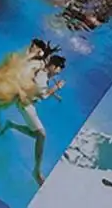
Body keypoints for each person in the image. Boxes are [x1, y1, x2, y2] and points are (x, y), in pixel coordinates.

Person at [0, 38, 55, 140]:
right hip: (5, 80)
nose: (30, 48)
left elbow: (24, 73)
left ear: (39, 50)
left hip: (10, 86)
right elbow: (15, 67)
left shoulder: (37, 64)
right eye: (31, 46)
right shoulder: (33, 60)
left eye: (33, 47)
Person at [5, 53, 67, 185]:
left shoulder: (45, 74)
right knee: (41, 135)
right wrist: (56, 88)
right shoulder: (42, 77)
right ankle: (37, 171)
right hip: (25, 104)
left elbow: (40, 88)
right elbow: (43, 95)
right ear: (53, 66)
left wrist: (55, 94)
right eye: (58, 70)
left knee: (36, 135)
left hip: (29, 103)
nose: (57, 73)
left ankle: (11, 125)